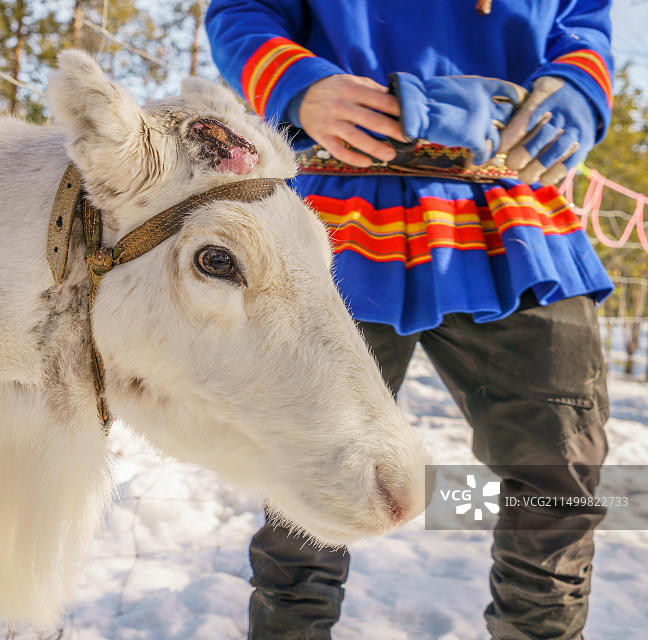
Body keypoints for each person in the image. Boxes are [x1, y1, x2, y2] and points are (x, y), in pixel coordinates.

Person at [205, 1, 614, 639]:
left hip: (517, 223)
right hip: (343, 218)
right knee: (316, 470)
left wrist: (579, 87)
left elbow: (582, 21)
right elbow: (243, 9)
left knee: (558, 481)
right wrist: (298, 84)